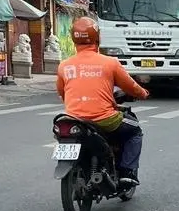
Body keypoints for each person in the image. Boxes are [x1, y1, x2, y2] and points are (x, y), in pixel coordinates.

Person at [56, 16, 149, 187]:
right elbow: (131, 87)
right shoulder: (110, 63)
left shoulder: (64, 65)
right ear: (97, 38)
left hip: (71, 119)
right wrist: (143, 93)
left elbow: (62, 93)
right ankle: (127, 172)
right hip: (104, 119)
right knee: (135, 131)